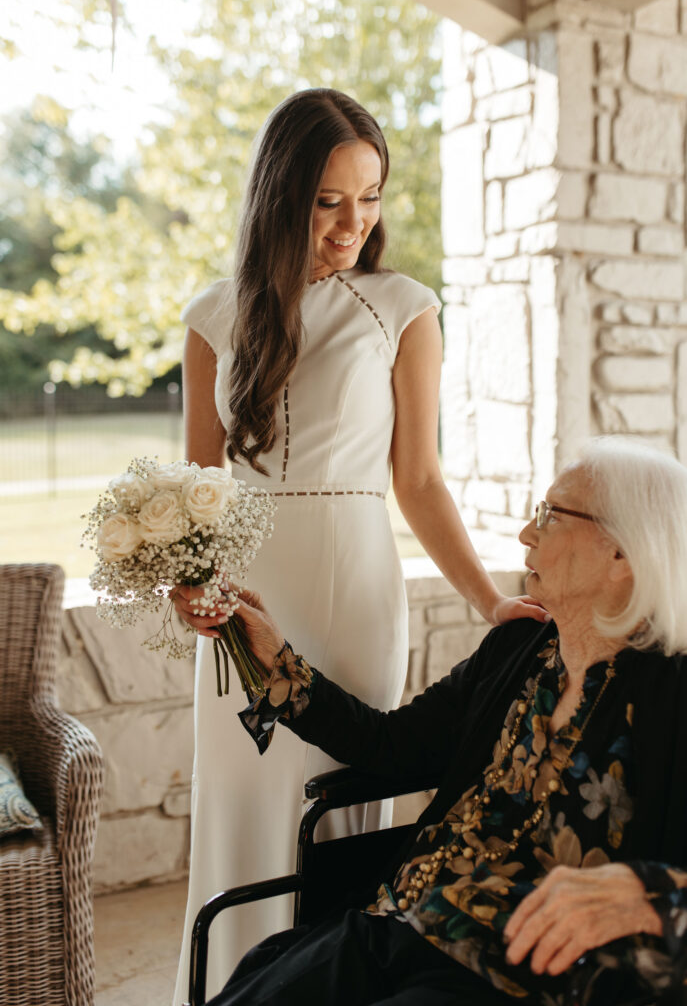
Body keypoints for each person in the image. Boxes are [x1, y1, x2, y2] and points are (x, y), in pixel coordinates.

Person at [172, 87, 546, 999]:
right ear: (280, 194)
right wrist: (185, 585)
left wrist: (490, 602)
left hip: (352, 588)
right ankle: (231, 986)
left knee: (342, 793)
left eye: (369, 196)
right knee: (245, 798)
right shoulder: (212, 316)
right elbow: (198, 488)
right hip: (243, 601)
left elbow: (416, 479)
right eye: (328, 200)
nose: (353, 223)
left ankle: (331, 984)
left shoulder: (402, 307)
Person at [204, 436, 687, 1005]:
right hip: (401, 917)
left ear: (623, 554)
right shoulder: (518, 649)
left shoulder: (672, 694)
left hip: (519, 973)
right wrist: (275, 660)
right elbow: (391, 746)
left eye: (550, 517)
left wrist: (651, 894)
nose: (526, 534)